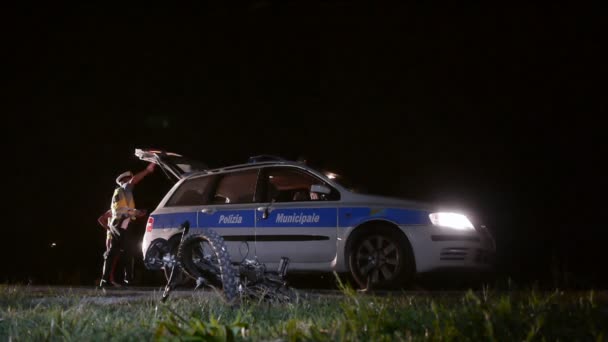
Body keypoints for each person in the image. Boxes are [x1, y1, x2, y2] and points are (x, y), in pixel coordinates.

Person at [99, 162, 155, 288]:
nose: (132, 180)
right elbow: (134, 180)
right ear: (124, 180)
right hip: (121, 225)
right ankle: (128, 280)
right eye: (129, 178)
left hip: (116, 225)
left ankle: (105, 280)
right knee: (128, 252)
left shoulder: (118, 194)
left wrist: (137, 212)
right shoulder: (125, 187)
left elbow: (121, 210)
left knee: (112, 253)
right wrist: (147, 170)